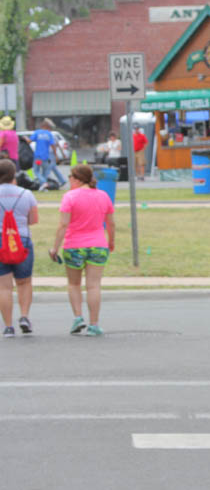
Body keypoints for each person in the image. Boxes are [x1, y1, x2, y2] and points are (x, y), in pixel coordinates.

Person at [49, 164, 114, 337]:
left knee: (74, 284)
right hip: (98, 244)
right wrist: (111, 241)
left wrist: (55, 247)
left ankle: (78, 317)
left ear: (77, 179)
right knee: (94, 286)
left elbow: (63, 224)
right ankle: (94, 324)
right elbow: (111, 222)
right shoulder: (103, 196)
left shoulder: (69, 197)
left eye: (70, 177)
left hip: (74, 245)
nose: (69, 179)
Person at [0, 159, 38, 337]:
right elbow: (33, 220)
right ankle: (24, 316)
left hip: (1, 241)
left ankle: (8, 327)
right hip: (21, 240)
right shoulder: (26, 194)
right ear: (13, 174)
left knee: (4, 287)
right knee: (24, 282)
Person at [30, 119, 67, 189]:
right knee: (46, 171)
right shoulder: (49, 134)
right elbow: (54, 145)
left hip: (38, 157)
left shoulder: (37, 133)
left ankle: (44, 183)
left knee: (36, 171)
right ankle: (44, 185)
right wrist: (57, 155)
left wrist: (25, 139)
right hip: (46, 157)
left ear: (42, 125)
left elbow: (30, 140)